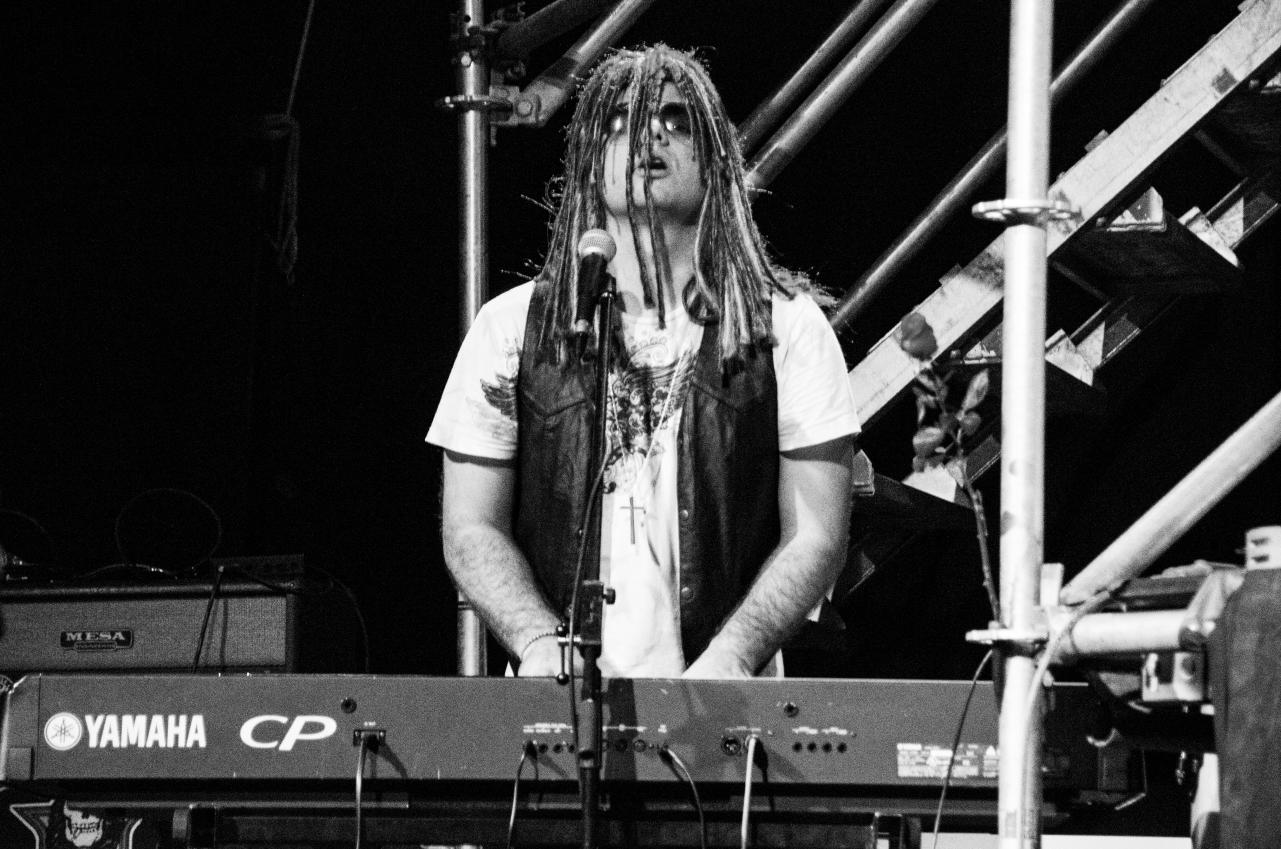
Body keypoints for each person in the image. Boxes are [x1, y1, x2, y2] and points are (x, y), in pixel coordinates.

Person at [427, 44, 860, 679]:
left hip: (724, 701)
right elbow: (470, 527)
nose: (648, 134)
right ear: (588, 163)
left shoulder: (785, 328)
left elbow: (817, 535)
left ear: (715, 161)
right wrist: (539, 640)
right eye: (619, 121)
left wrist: (732, 656)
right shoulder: (511, 327)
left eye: (676, 120)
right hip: (559, 700)